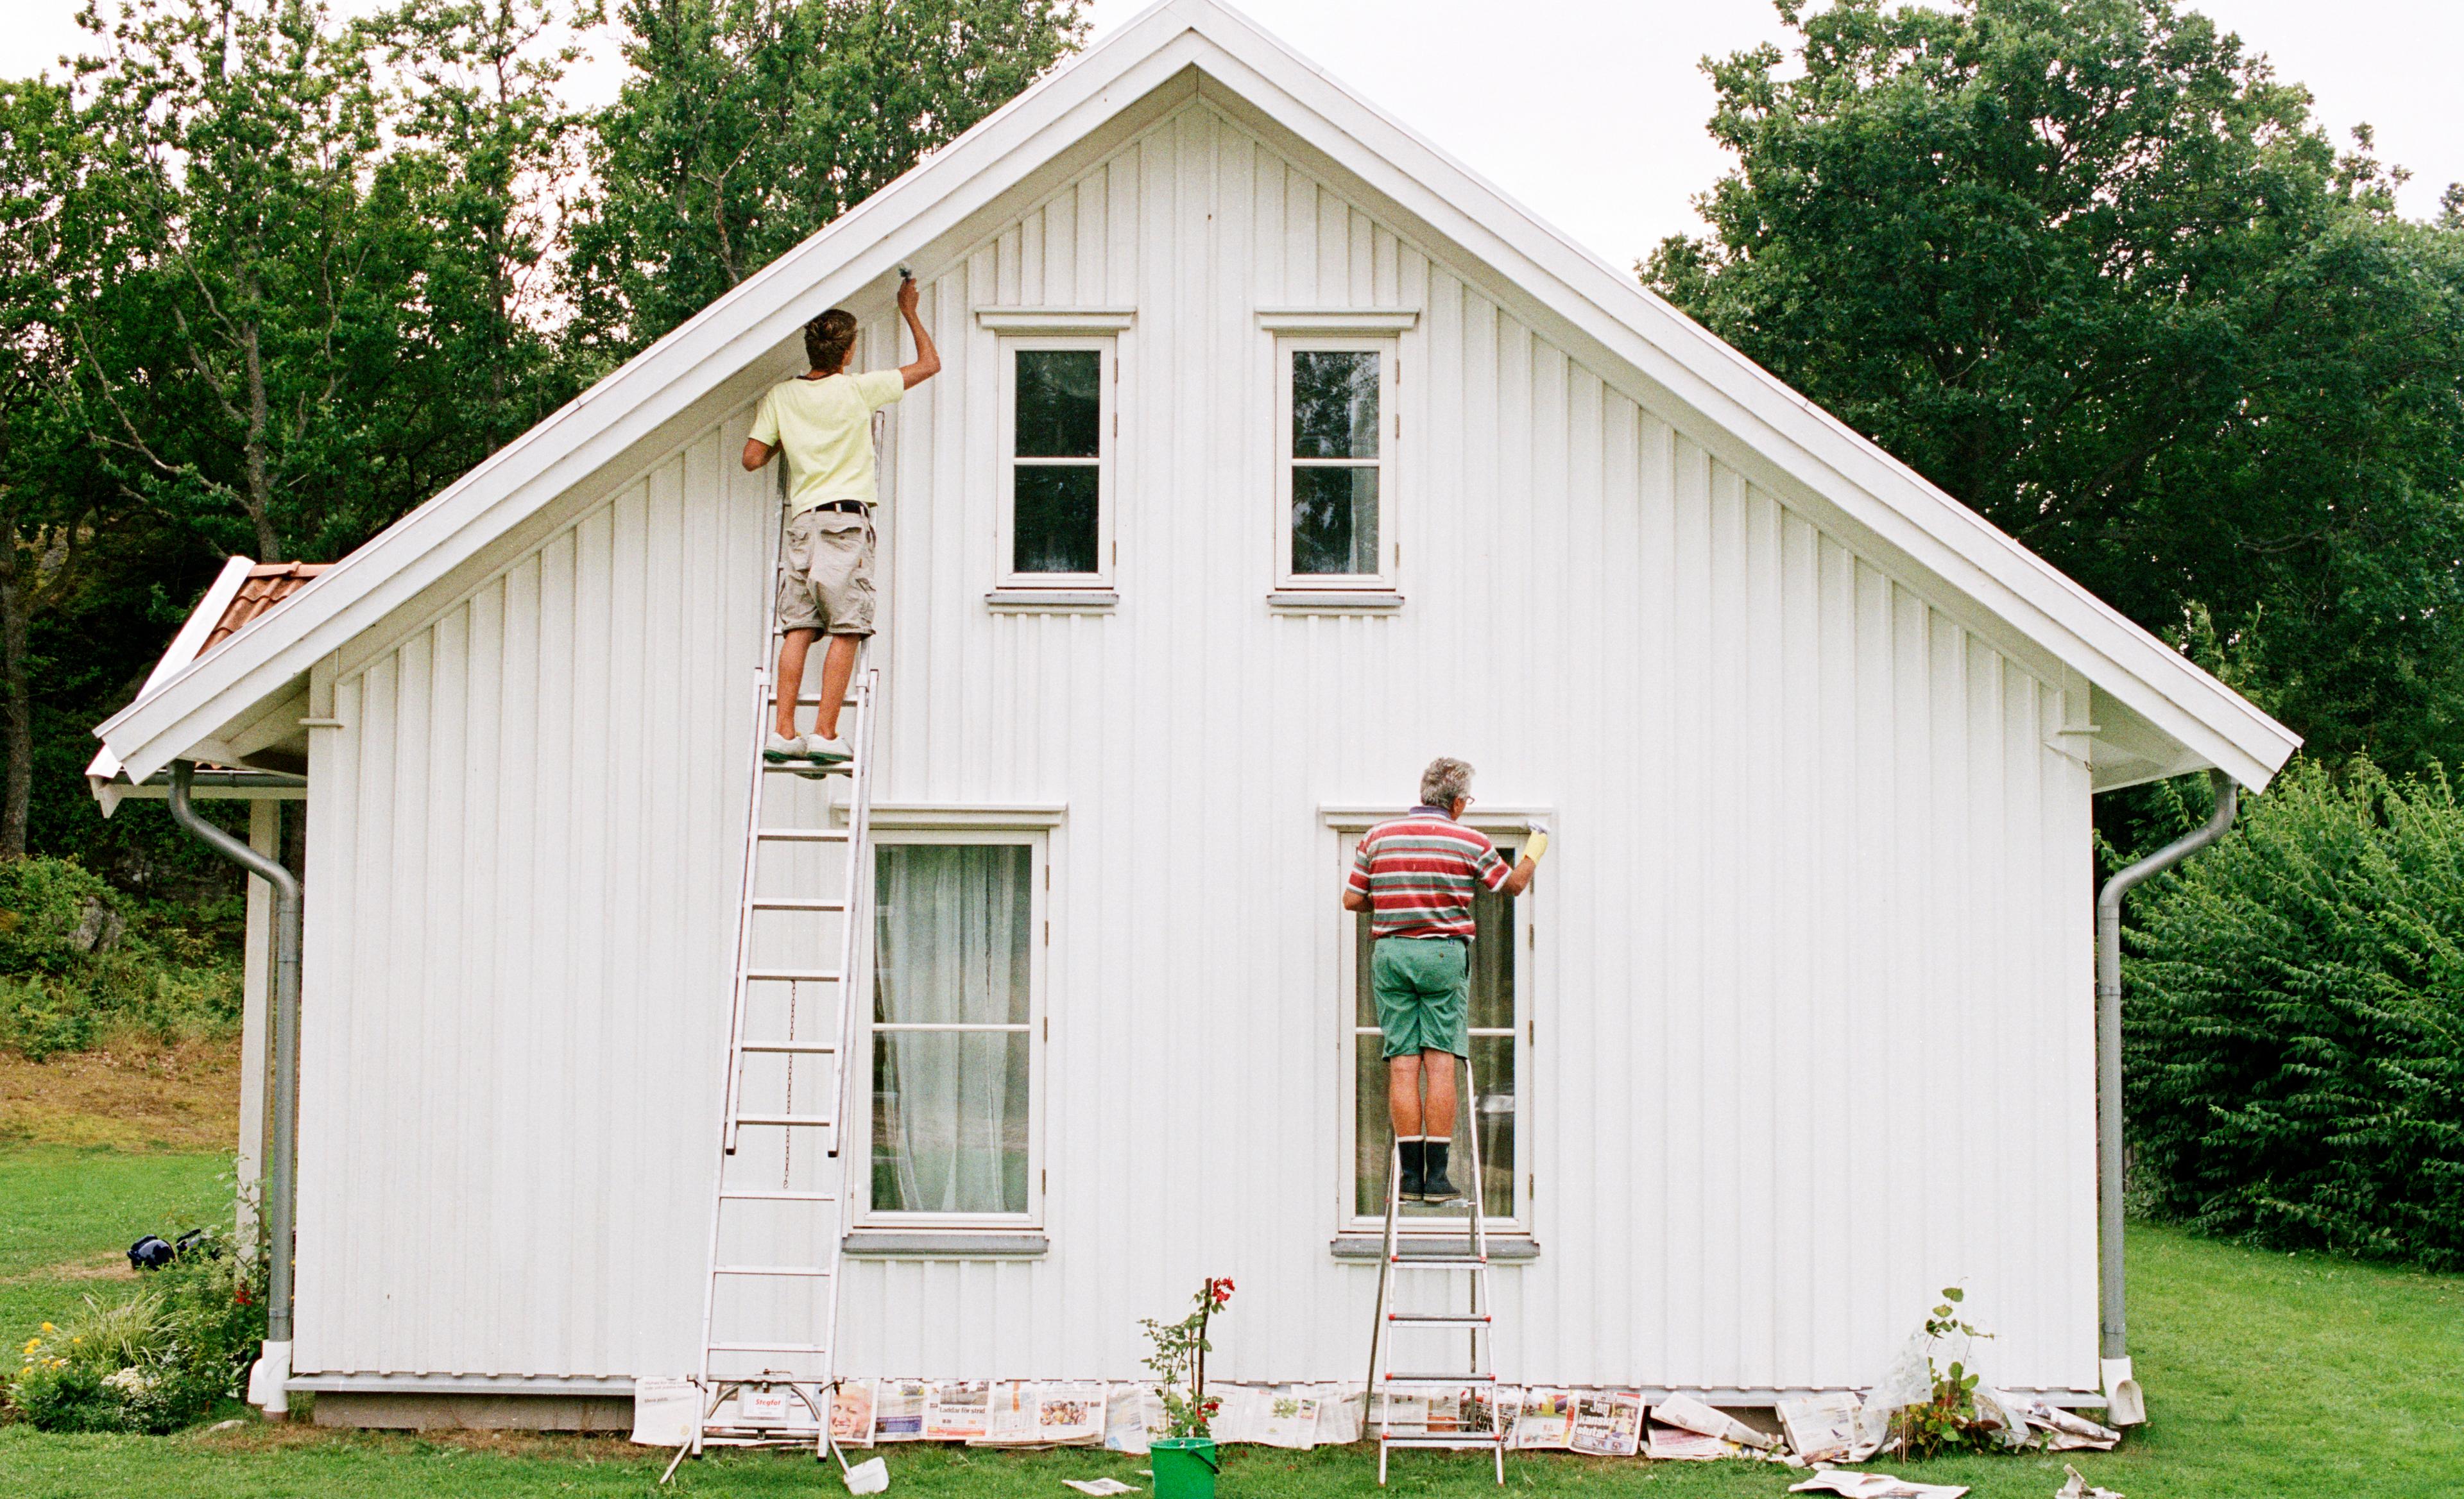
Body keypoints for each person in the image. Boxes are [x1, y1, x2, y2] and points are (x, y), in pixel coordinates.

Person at [741, 273, 941, 764]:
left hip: (804, 523)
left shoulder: (782, 397)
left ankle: (783, 732)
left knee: (799, 628)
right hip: (844, 522)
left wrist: (789, 437)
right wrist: (909, 310)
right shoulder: (858, 390)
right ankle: (825, 733)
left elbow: (751, 458)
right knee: (848, 625)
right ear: (848, 352)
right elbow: (930, 365)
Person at [1344, 758, 1548, 1202]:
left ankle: (1408, 1179)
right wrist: (1538, 844)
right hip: (1442, 953)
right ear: (1457, 802)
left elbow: (1352, 899)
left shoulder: (1378, 837)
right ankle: (1435, 1180)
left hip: (1392, 953)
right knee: (1438, 1063)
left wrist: (1394, 906)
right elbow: (1512, 886)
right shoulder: (1469, 841)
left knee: (1402, 1062)